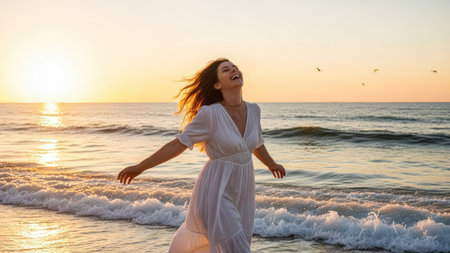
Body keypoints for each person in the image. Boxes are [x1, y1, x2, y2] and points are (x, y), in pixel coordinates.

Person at [117, 58, 286, 253]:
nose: (234, 70)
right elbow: (178, 144)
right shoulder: (210, 114)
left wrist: (272, 164)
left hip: (244, 188)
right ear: (217, 84)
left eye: (235, 67)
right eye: (226, 70)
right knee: (236, 246)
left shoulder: (254, 110)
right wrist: (140, 167)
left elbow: (256, 143)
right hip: (216, 189)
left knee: (238, 241)